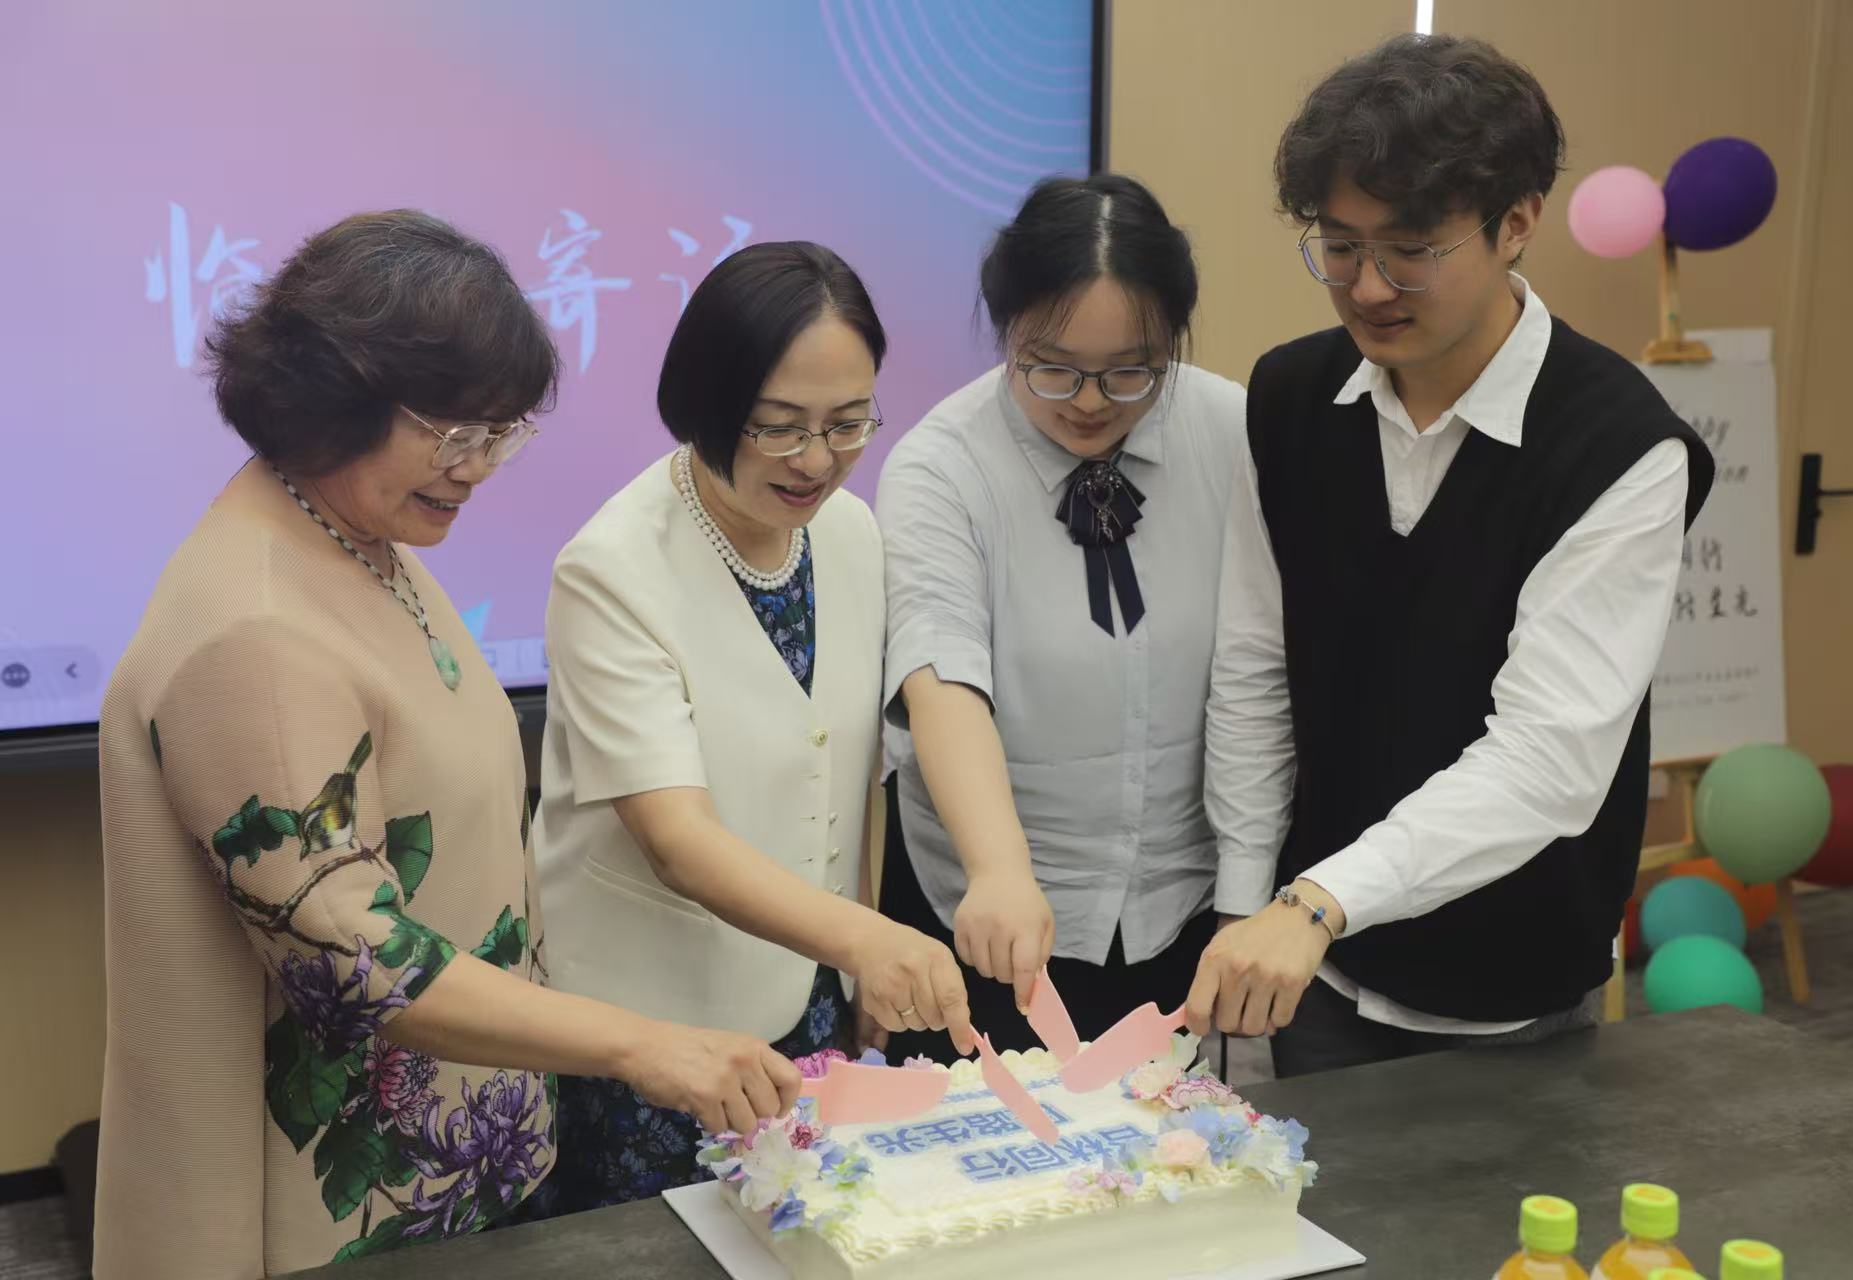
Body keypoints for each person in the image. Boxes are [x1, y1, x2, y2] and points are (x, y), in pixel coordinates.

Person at [94, 211, 801, 1280]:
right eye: (453, 432)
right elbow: (361, 960)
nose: (477, 468)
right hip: (322, 1214)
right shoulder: (257, 632)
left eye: (499, 433)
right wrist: (642, 1042)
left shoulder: (357, 535)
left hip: (447, 1156)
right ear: (333, 395)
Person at [1188, 35, 1714, 1074]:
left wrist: (1315, 901)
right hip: (1315, 971)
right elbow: (1255, 667)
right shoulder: (1291, 399)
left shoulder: (1618, 447)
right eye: (1340, 246)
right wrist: (1248, 911)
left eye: (1412, 248)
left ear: (1517, 222)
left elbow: (1548, 759)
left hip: (1513, 994)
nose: (1368, 287)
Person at [530, 242, 972, 1211]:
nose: (817, 460)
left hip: (807, 994)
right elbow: (677, 839)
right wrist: (867, 938)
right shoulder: (612, 570)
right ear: (707, 403)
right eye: (778, 427)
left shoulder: (850, 534)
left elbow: (846, 773)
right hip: (655, 1028)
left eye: (848, 422)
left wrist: (854, 963)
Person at [875, 175, 1248, 1063]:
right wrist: (1000, 869)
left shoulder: (1231, 430)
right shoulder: (942, 467)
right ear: (1006, 330)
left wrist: (1247, 890)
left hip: (1182, 903)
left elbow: (1258, 671)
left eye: (1131, 370)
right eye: (1051, 366)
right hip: (993, 921)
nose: (1088, 400)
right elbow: (941, 675)